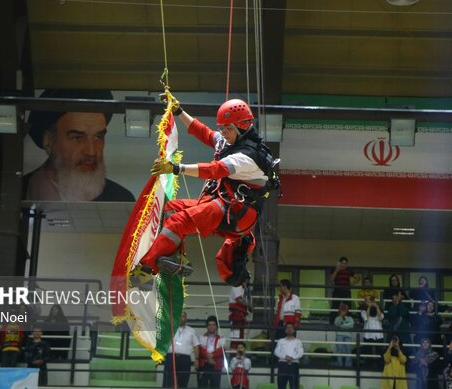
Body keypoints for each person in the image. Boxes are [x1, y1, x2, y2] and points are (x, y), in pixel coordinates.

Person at [133, 95, 279, 287]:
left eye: (228, 128)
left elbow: (214, 169)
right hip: (226, 203)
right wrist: (178, 111)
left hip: (237, 212)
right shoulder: (232, 142)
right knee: (172, 208)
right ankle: (175, 256)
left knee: (179, 221)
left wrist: (176, 168)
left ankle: (146, 270)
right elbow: (205, 133)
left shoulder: (246, 157)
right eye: (222, 128)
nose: (223, 132)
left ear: (241, 127)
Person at [23, 89, 135, 202]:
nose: (91, 151)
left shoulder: (119, 198)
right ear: (49, 141)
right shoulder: (17, 193)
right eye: (78, 138)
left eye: (98, 137)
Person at [163, 311, 199, 388]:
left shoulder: (191, 331)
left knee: (183, 382)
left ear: (186, 318)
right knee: (168, 382)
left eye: (183, 316)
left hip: (184, 359)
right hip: (171, 357)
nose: (181, 318)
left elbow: (196, 346)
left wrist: (197, 359)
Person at [329, 256, 361, 322]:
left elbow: (358, 277)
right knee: (335, 306)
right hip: (337, 290)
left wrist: (352, 283)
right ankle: (332, 323)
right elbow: (331, 279)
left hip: (346, 291)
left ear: (347, 264)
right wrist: (336, 270)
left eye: (345, 263)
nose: (344, 265)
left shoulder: (349, 270)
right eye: (342, 263)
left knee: (348, 306)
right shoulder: (334, 269)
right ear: (340, 263)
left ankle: (348, 321)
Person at [197, 316, 225, 389]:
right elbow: (200, 349)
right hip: (203, 365)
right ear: (207, 326)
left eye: (213, 325)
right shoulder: (201, 337)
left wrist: (211, 355)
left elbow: (221, 350)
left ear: (216, 326)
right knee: (201, 386)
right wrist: (208, 356)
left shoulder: (221, 338)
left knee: (215, 387)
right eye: (209, 325)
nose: (211, 327)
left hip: (216, 366)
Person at [274, 322, 303, 389]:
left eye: (291, 327)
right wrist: (285, 357)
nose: (289, 329)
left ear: (294, 330)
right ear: (285, 330)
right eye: (287, 327)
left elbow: (300, 353)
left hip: (294, 365)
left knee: (294, 386)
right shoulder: (281, 341)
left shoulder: (298, 341)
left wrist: (292, 358)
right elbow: (276, 351)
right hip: (282, 365)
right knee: (281, 386)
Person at [361, 295, 384, 369]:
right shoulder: (363, 310)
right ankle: (369, 367)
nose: (369, 301)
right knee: (368, 351)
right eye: (367, 300)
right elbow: (366, 318)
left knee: (379, 350)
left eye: (370, 300)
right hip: (368, 334)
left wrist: (376, 306)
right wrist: (369, 307)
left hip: (378, 334)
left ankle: (380, 367)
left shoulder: (378, 309)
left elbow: (381, 317)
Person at [229, 284, 250, 350]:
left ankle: (238, 354)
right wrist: (250, 305)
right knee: (235, 338)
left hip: (240, 317)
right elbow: (239, 300)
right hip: (236, 317)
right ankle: (233, 356)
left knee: (240, 338)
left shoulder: (244, 289)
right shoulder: (236, 286)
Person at [333, 302, 354, 367]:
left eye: (345, 310)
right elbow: (336, 324)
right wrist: (341, 317)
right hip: (339, 335)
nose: (344, 311)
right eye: (342, 310)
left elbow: (351, 325)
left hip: (348, 335)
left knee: (348, 350)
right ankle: (340, 365)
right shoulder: (337, 318)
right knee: (339, 350)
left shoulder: (350, 318)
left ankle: (348, 365)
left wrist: (342, 325)